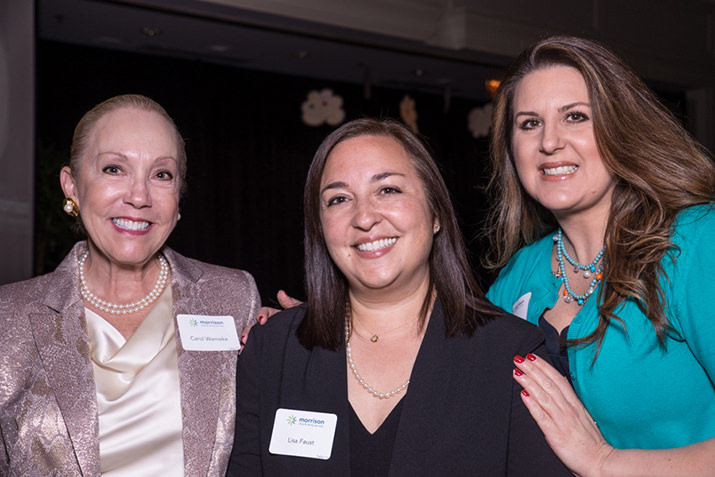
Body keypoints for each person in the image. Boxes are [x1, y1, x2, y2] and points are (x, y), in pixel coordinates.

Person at [227, 118, 570, 476]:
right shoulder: (270, 351)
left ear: (436, 212)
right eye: (339, 199)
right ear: (320, 227)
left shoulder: (511, 355)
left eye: (388, 190)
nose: (364, 217)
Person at [484, 35, 715, 476]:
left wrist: (603, 462)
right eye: (529, 123)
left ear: (619, 128)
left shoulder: (696, 242)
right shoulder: (518, 275)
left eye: (574, 117)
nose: (550, 142)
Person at [0, 94, 261, 476]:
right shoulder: (8, 318)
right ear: (71, 186)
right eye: (114, 169)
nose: (139, 196)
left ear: (178, 197)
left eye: (161, 175)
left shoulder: (232, 296)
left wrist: (302, 340)